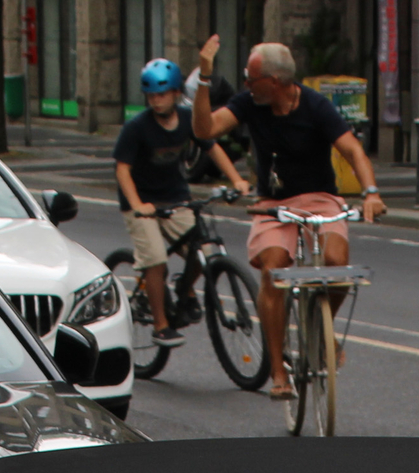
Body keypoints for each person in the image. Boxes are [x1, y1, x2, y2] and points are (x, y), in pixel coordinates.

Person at [190, 36, 384, 400]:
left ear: (276, 81)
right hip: (274, 203)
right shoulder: (249, 103)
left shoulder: (315, 106)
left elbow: (352, 149)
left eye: (252, 78)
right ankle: (278, 370)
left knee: (336, 265)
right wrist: (204, 77)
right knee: (274, 269)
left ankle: (318, 328)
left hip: (320, 199)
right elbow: (204, 130)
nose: (246, 84)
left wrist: (371, 191)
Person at [116, 58, 248, 345]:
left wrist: (236, 179)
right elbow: (122, 170)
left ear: (177, 93)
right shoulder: (137, 128)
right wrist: (138, 205)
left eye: (162, 94)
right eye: (151, 95)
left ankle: (185, 290)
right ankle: (161, 325)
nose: (156, 101)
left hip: (175, 197)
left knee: (199, 248)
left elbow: (212, 147)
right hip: (141, 203)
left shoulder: (188, 120)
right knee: (156, 259)